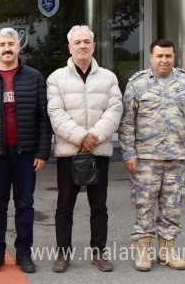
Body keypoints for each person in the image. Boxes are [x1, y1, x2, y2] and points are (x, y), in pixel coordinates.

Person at [119, 39, 185, 272]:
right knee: (144, 205)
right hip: (146, 158)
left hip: (177, 157)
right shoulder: (137, 84)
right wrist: (128, 152)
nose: (164, 60)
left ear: (174, 57)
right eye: (159, 56)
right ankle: (144, 252)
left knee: (172, 206)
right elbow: (127, 122)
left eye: (168, 56)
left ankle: (167, 251)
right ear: (151, 57)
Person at [0, 27, 51, 274]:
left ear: (19, 47)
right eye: (2, 44)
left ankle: (24, 254)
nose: (7, 48)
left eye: (11, 44)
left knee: (25, 205)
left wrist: (42, 151)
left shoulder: (34, 77)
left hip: (26, 153)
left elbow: (43, 117)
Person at [45, 26, 123, 273]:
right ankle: (62, 254)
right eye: (77, 42)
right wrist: (81, 138)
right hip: (70, 153)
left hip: (98, 152)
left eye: (86, 41)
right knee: (64, 207)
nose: (82, 46)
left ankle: (99, 252)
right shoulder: (56, 78)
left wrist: (96, 136)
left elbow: (115, 110)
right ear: (69, 47)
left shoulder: (108, 78)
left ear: (94, 45)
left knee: (99, 206)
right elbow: (55, 114)